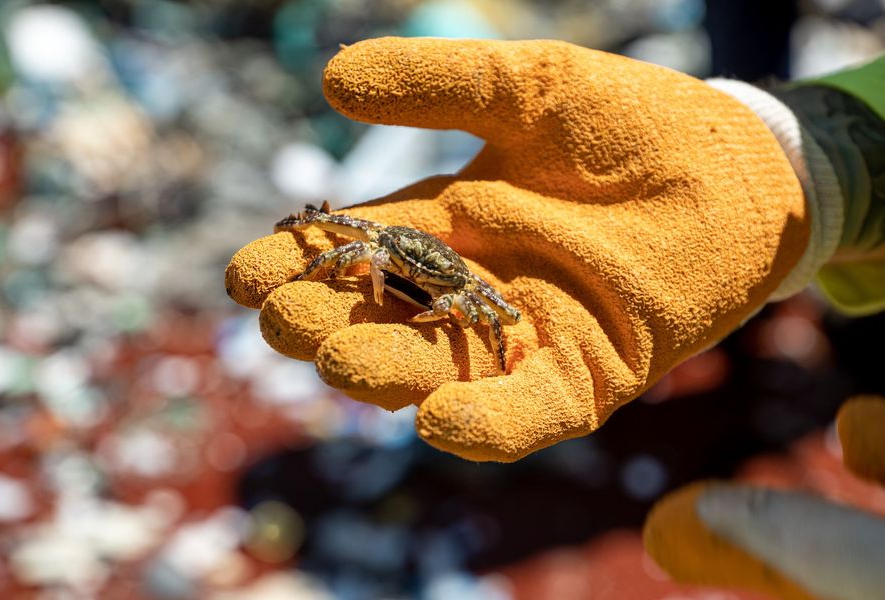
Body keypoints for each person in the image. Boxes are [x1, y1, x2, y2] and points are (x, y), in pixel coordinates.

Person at [226, 38, 884, 595]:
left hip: (445, 273)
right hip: (402, 247)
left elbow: (486, 306)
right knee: (338, 247)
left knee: (466, 310)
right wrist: (825, 162)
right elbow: (335, 224)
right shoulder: (378, 243)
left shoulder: (458, 288)